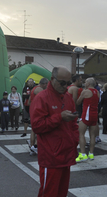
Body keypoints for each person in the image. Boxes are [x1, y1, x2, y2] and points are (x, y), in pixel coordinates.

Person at [30, 66, 79, 197]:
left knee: (62, 193)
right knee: (49, 193)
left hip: (66, 155)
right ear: (52, 79)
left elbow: (74, 124)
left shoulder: (67, 98)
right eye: (62, 83)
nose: (65, 86)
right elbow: (37, 126)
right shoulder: (42, 98)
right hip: (51, 157)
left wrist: (74, 142)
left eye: (68, 83)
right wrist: (59, 117)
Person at [76, 77, 100, 162]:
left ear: (88, 84)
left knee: (81, 133)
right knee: (92, 135)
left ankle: (83, 154)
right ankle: (91, 153)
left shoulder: (85, 91)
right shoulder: (97, 92)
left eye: (85, 82)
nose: (84, 83)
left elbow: (78, 102)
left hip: (86, 114)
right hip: (94, 115)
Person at [27, 78, 49, 155]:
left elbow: (29, 102)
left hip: (32, 111)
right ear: (44, 84)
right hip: (38, 111)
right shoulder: (40, 89)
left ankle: (32, 147)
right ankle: (36, 146)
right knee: (40, 129)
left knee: (33, 130)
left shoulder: (34, 89)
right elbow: (46, 99)